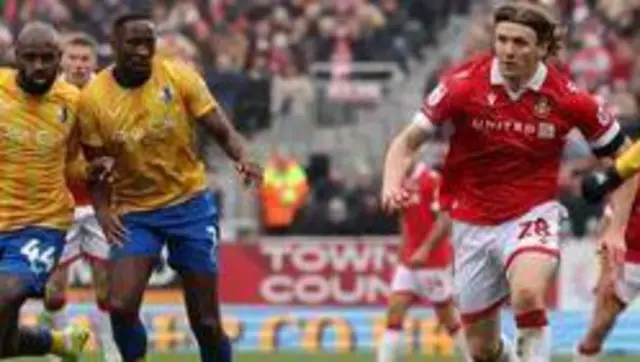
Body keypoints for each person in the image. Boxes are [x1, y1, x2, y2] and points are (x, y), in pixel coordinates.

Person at [381, 3, 636, 361]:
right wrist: (391, 183)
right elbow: (406, 142)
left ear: (543, 48)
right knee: (482, 350)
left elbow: (627, 161)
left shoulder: (571, 98)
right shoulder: (462, 85)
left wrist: (616, 229)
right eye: (502, 40)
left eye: (520, 42)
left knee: (528, 294)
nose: (508, 50)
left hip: (532, 214)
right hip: (471, 221)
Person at [76, 12, 262, 362]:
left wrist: (243, 156)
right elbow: (96, 166)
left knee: (206, 323)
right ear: (114, 46)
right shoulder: (93, 99)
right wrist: (102, 209)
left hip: (189, 206)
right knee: (120, 305)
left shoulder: (178, 75)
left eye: (149, 42)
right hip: (135, 212)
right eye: (133, 43)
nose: (143, 50)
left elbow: (220, 129)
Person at [0, 21, 90, 360]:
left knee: (7, 295)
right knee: (3, 340)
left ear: (59, 59)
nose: (39, 66)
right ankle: (55, 342)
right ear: (16, 57)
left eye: (47, 58)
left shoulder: (74, 103)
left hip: (41, 222)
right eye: (31, 58)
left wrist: (92, 170)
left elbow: (72, 164)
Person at [39, 32, 121, 362]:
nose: (78, 64)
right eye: (73, 58)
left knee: (105, 285)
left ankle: (111, 349)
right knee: (54, 289)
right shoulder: (47, 93)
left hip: (100, 204)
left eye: (85, 59)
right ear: (63, 60)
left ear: (94, 63)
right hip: (59, 204)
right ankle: (61, 349)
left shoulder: (106, 95)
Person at [377, 161, 470, 362]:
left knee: (447, 318)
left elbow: (445, 219)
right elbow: (404, 217)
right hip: (408, 262)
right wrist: (404, 249)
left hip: (433, 262)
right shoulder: (401, 182)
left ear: (414, 155)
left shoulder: (432, 180)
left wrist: (425, 250)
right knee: (395, 311)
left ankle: (471, 358)